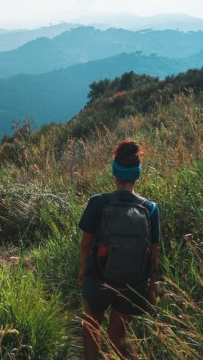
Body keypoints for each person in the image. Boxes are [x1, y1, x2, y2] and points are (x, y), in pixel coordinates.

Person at [78, 140, 161, 360]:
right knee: (117, 335)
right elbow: (154, 252)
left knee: (91, 325)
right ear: (137, 175)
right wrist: (150, 287)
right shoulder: (150, 209)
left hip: (99, 276)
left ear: (114, 173)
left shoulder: (98, 202)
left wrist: (83, 268)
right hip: (133, 282)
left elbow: (86, 243)